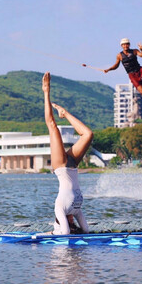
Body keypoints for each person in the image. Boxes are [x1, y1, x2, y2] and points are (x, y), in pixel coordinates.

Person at [42, 72, 92, 235]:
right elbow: (85, 230)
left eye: (69, 221)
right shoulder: (76, 211)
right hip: (72, 165)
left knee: (52, 126)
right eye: (72, 222)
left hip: (61, 167)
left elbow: (64, 233)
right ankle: (65, 113)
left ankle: (46, 92)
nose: (72, 220)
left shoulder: (60, 207)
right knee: (88, 135)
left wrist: (51, 233)